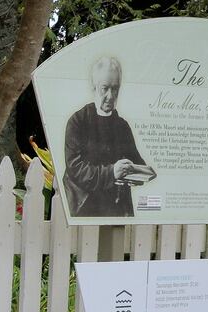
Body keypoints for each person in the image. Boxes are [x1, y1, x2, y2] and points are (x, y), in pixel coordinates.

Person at [62, 55, 154, 217]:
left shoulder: (122, 126)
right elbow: (76, 169)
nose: (110, 96)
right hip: (86, 208)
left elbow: (136, 162)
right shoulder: (77, 122)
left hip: (117, 208)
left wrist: (138, 170)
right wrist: (112, 172)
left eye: (115, 88)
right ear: (94, 87)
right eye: (105, 88)